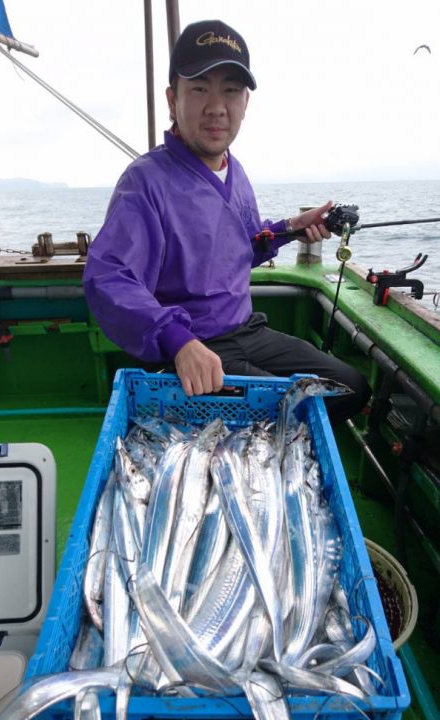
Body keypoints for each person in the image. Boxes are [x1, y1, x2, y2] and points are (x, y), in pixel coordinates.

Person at [84, 19, 371, 424]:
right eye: (200, 88)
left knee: (350, 387)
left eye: (231, 90)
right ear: (172, 100)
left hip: (248, 331)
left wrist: (289, 227)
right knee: (285, 406)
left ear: (245, 103)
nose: (217, 106)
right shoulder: (145, 182)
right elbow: (110, 277)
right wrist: (178, 341)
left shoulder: (234, 172)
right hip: (196, 345)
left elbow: (238, 247)